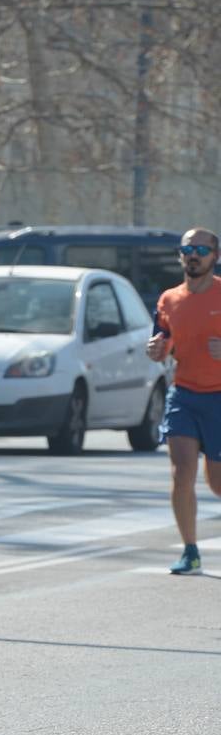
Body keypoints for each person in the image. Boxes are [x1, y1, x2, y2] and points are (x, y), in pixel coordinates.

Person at [148, 227, 221, 575]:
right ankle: (190, 551)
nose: (194, 254)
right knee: (181, 474)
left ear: (215, 257)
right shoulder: (168, 300)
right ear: (180, 255)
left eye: (201, 250)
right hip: (184, 394)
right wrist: (156, 350)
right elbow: (160, 343)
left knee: (217, 483)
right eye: (188, 248)